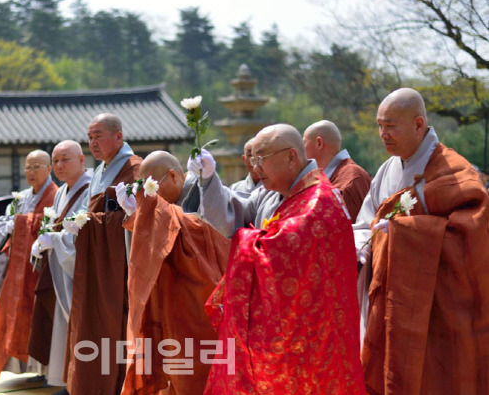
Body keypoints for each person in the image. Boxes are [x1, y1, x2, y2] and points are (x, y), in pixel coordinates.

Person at [203, 125, 366, 394]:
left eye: (262, 158)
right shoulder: (280, 191)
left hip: (311, 333)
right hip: (296, 327)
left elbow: (279, 253)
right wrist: (208, 180)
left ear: (292, 157)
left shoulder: (317, 202)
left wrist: (250, 240)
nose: (256, 168)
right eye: (252, 160)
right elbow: (232, 216)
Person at [354, 88, 489, 394]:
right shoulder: (387, 170)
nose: (382, 134)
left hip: (437, 306)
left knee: (436, 376)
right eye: (379, 125)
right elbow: (366, 223)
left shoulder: (453, 171)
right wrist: (361, 248)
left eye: (390, 126)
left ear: (418, 124)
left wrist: (406, 235)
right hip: (390, 296)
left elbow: (473, 233)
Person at [117, 151, 231, 395]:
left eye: (151, 187)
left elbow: (217, 233)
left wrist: (142, 217)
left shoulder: (206, 194)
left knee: (200, 372)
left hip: (200, 304)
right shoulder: (165, 206)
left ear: (172, 175)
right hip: (174, 303)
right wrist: (135, 216)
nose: (149, 197)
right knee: (175, 369)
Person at [64, 113, 142, 395]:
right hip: (98, 259)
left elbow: (135, 218)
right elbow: (96, 210)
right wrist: (83, 222)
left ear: (118, 137)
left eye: (98, 136)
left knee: (115, 326)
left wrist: (89, 223)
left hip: (120, 265)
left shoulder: (134, 168)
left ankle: (120, 385)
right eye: (89, 137)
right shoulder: (100, 170)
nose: (92, 143)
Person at [0, 150, 58, 379]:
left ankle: (45, 369)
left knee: (40, 318)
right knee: (15, 313)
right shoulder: (21, 198)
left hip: (42, 270)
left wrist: (21, 223)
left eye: (37, 166)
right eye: (28, 167)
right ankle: (21, 367)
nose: (31, 172)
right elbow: (4, 226)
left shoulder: (56, 195)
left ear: (49, 169)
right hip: (18, 269)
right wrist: (11, 224)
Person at [29, 140, 91, 391]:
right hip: (60, 268)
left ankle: (76, 380)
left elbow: (87, 233)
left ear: (81, 160)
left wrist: (56, 239)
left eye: (65, 159)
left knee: (75, 324)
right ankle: (60, 376)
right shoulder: (62, 192)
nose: (59, 165)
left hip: (77, 269)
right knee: (59, 326)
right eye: (55, 161)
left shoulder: (90, 189)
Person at [303, 120, 371, 222]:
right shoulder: (331, 176)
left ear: (319, 143)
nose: (302, 151)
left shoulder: (350, 179)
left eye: (304, 143)